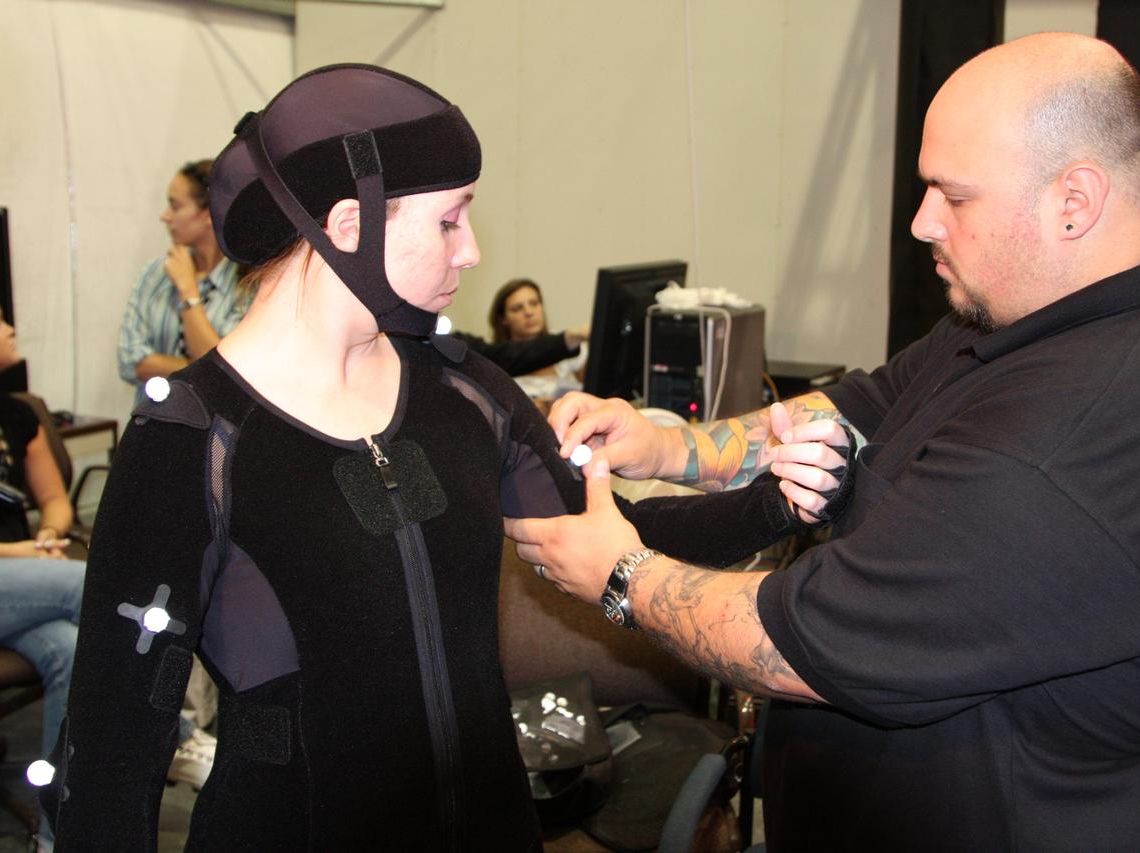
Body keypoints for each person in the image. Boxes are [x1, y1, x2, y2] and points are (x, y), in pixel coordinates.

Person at [506, 33, 1140, 850]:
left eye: (953, 196)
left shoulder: (1082, 434)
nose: (922, 221)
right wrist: (670, 446)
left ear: (1074, 200)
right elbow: (873, 399)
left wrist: (620, 574)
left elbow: (798, 643)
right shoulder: (1054, 311)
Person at [41, 64, 802, 851]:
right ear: (348, 224)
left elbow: (620, 538)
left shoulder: (462, 386)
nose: (472, 251)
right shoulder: (194, 440)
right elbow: (110, 758)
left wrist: (785, 494)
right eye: (450, 221)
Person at [0, 280, 84, 852]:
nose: (10, 330)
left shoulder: (15, 414)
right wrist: (21, 554)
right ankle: (181, 726)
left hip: (16, 589)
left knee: (67, 646)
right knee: (88, 584)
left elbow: (56, 499)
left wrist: (48, 531)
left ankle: (52, 835)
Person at [116, 159, 247, 407]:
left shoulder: (247, 282)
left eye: (175, 206)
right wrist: (202, 370)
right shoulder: (155, 273)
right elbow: (130, 360)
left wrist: (188, 292)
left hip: (215, 433)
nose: (165, 216)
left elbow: (230, 374)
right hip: (153, 424)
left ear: (208, 214)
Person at [487, 278, 587, 404]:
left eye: (534, 303)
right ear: (503, 319)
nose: (529, 312)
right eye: (517, 308)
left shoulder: (565, 342)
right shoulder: (497, 361)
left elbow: (597, 388)